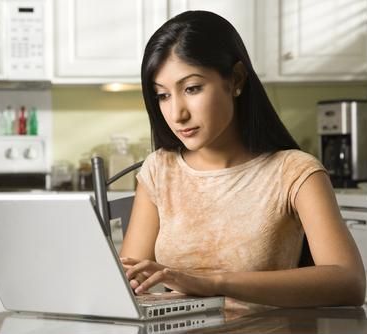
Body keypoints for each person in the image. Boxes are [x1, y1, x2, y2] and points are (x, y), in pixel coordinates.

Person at [120, 11, 365, 307]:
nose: (177, 114)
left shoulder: (295, 172)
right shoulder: (159, 170)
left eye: (192, 88)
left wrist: (212, 282)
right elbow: (129, 281)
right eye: (163, 95)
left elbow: (348, 282)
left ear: (235, 79)